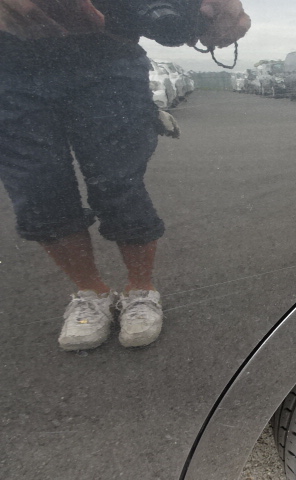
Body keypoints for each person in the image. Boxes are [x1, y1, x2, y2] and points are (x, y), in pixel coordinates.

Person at [0, 0, 250, 350]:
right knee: (37, 187)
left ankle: (140, 290)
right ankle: (90, 292)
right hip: (11, 63)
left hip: (108, 56)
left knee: (117, 181)